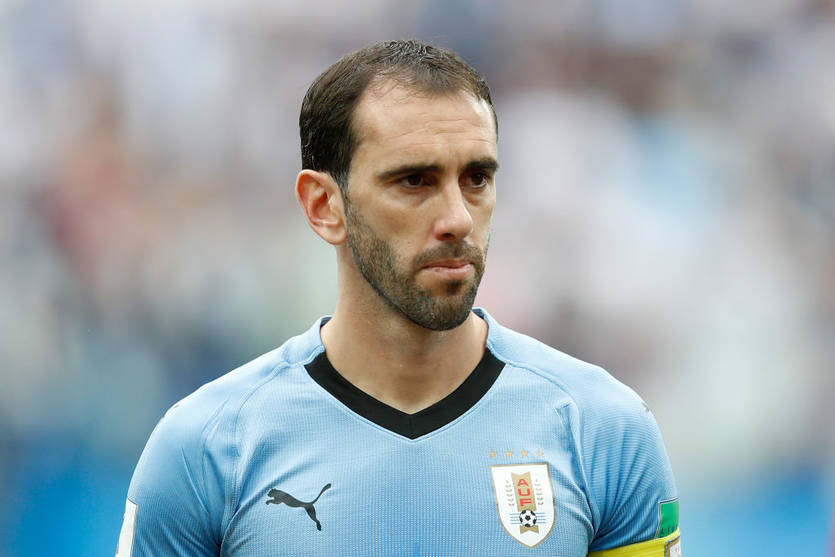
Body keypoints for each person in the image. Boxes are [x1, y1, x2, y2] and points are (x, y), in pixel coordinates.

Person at [117, 39, 680, 556]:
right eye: (414, 181)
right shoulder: (206, 449)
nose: (458, 217)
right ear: (323, 206)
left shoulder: (605, 431)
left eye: (477, 179)